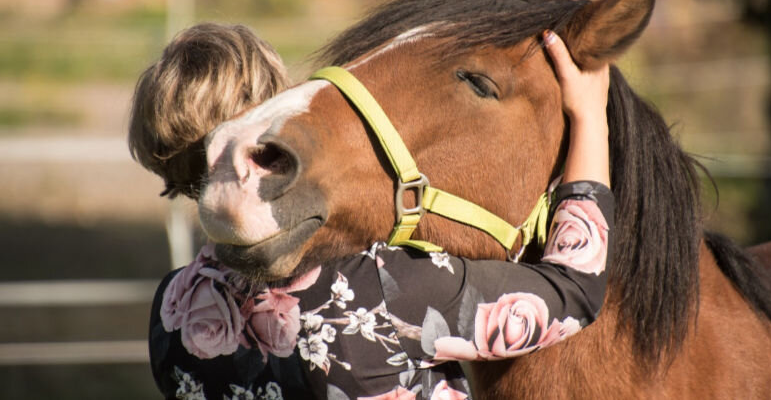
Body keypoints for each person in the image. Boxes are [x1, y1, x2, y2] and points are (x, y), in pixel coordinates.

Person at [129, 24, 613, 399]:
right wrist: (591, 116)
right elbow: (576, 289)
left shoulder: (170, 311)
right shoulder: (379, 289)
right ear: (270, 120)